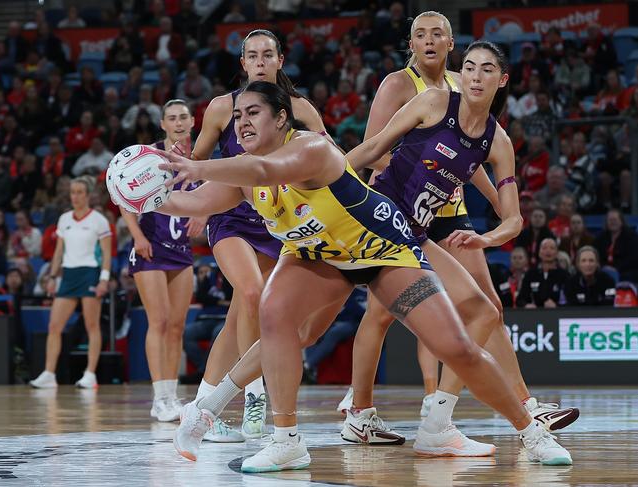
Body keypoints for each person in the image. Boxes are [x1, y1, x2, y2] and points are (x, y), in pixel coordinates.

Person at [155, 80, 571, 470]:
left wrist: (199, 167)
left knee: (457, 348)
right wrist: (148, 198)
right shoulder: (244, 171)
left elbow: (265, 172)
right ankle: (286, 440)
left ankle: (531, 431)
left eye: (253, 113)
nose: (242, 122)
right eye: (238, 116)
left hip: (383, 249)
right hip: (320, 255)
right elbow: (198, 202)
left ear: (281, 118)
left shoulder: (312, 149)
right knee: (275, 312)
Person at [338, 13, 578, 451]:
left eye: (437, 35)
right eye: (419, 35)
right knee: (365, 316)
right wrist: (331, 180)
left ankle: (468, 410)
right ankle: (359, 411)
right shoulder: (408, 89)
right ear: (410, 43)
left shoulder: (472, 102)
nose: (428, 42)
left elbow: (473, 162)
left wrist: (491, 211)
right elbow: (372, 148)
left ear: (452, 44)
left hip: (438, 216)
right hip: (384, 212)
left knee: (486, 309)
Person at [185, 29, 328, 441]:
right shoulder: (219, 108)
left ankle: (201, 408)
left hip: (277, 220)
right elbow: (197, 163)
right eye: (252, 55)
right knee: (252, 294)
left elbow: (329, 164)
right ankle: (254, 396)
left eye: (268, 54)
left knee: (239, 318)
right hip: (230, 215)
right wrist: (194, 194)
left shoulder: (300, 109)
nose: (260, 61)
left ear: (280, 60)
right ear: (243, 63)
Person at [118, 99, 201, 422]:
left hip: (181, 248)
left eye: (183, 117)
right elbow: (124, 196)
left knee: (178, 325)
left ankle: (172, 396)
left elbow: (219, 191)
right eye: (172, 118)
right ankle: (159, 398)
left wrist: (204, 214)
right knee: (160, 321)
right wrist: (137, 236)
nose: (179, 123)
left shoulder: (199, 157)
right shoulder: (148, 156)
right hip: (149, 245)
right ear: (163, 124)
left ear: (193, 122)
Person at [29, 176, 111, 389]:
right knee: (54, 325)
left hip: (90, 273)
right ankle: (49, 373)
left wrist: (104, 279)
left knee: (91, 325)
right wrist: (53, 277)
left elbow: (107, 253)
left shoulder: (99, 220)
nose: (75, 196)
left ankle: (90, 374)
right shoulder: (64, 219)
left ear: (88, 195)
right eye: (72, 192)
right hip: (68, 275)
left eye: (79, 192)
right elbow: (58, 252)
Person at [516, 238, 569, 308]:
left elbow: (571, 301)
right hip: (534, 316)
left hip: (558, 315)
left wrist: (557, 306)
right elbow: (520, 300)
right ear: (539, 253)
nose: (548, 251)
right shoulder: (530, 274)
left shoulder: (564, 275)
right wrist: (526, 305)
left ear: (557, 253)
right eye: (544, 248)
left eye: (552, 248)